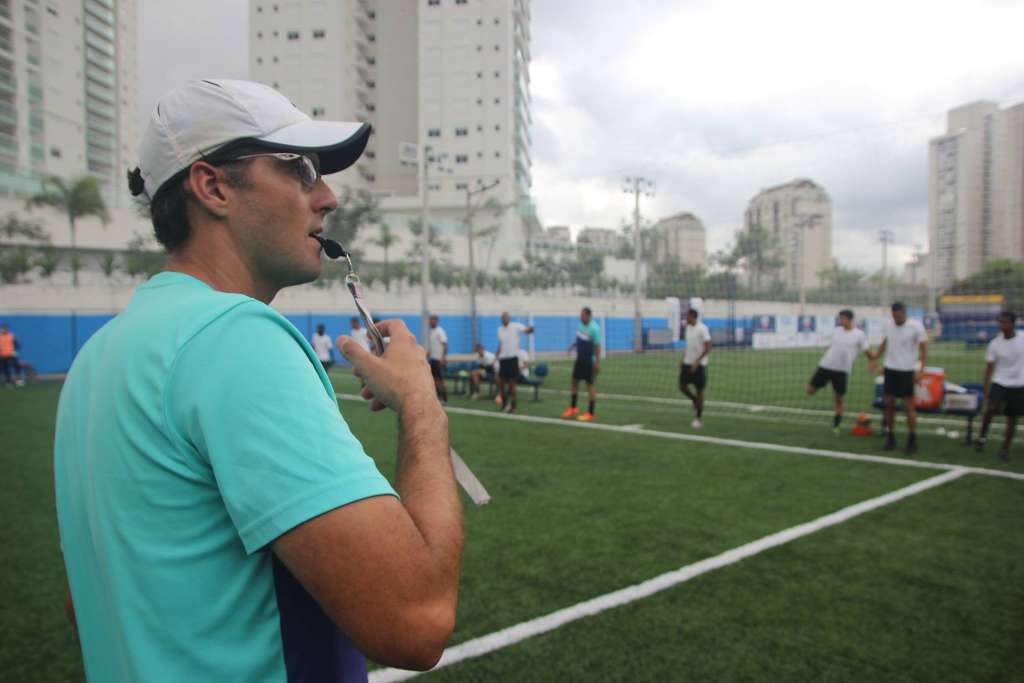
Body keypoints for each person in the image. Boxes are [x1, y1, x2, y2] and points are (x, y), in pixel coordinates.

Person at [55, 79, 462, 682]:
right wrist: (423, 406)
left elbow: (96, 599)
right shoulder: (236, 338)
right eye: (299, 169)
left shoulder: (98, 357)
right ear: (213, 186)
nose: (326, 197)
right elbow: (417, 621)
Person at [872, 301, 928, 454]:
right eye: (893, 316)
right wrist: (875, 358)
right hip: (890, 369)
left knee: (908, 406)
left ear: (904, 313)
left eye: (898, 316)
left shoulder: (916, 326)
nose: (895, 319)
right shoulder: (888, 325)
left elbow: (924, 350)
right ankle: (890, 437)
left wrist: (920, 369)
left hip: (907, 370)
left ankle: (912, 439)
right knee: (888, 404)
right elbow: (885, 343)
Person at [806, 309, 872, 435]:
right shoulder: (836, 331)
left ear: (850, 319)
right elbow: (823, 340)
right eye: (840, 318)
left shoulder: (859, 334)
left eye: (842, 318)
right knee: (810, 391)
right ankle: (824, 383)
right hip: (825, 366)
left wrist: (872, 361)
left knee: (839, 399)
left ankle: (836, 425)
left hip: (842, 371)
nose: (840, 321)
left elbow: (867, 351)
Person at [976, 311, 1024, 461]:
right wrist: (986, 388)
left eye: (1006, 322)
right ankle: (982, 438)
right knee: (990, 409)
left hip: (1019, 384)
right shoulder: (995, 343)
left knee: (1012, 417)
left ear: (1013, 324)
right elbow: (989, 367)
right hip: (1000, 382)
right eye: (1000, 322)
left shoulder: (1022, 338)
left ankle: (1005, 448)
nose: (1002, 325)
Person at [562, 307, 601, 422]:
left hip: (589, 361)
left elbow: (598, 347)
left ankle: (590, 413)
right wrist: (571, 346)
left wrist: (597, 363)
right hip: (579, 360)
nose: (580, 317)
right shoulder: (580, 325)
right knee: (574, 382)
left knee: (590, 386)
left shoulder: (594, 328)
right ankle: (573, 408)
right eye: (580, 315)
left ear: (588, 316)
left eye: (582, 315)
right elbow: (578, 339)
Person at [495, 311, 534, 414]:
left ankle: (514, 406)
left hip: (512, 359)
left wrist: (530, 329)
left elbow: (526, 331)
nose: (504, 319)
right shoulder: (499, 330)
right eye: (503, 317)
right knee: (501, 383)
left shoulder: (516, 326)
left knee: (512, 385)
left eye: (506, 317)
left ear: (509, 318)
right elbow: (501, 344)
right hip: (503, 360)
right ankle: (504, 404)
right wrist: (496, 356)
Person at [679, 308, 712, 428]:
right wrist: (682, 359)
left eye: (687, 316)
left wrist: (697, 362)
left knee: (700, 391)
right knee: (682, 387)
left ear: (692, 317)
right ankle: (694, 401)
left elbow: (708, 347)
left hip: (699, 365)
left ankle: (698, 418)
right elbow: (689, 346)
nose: (685, 319)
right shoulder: (688, 328)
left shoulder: (702, 328)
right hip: (687, 363)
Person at [427, 314, 448, 404]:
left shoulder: (440, 331)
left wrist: (443, 357)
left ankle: (445, 398)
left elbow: (445, 345)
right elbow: (432, 347)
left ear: (436, 321)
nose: (431, 322)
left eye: (432, 320)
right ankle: (438, 397)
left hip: (438, 359)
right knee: (435, 380)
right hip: (432, 359)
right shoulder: (431, 332)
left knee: (441, 380)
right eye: (430, 320)